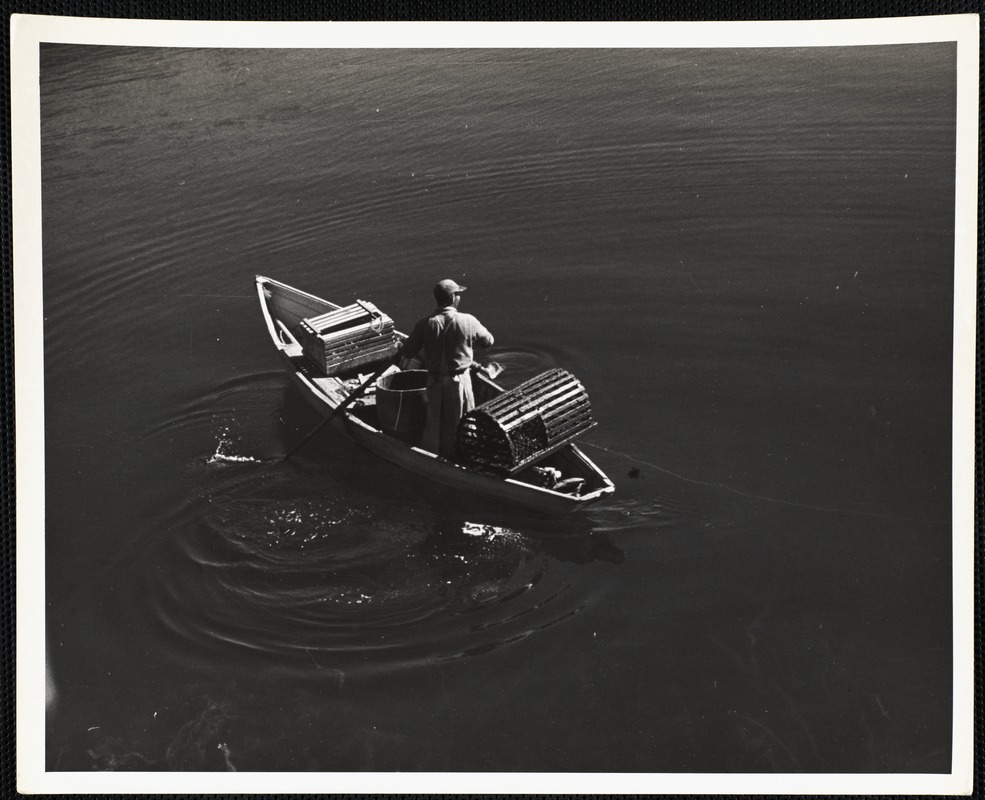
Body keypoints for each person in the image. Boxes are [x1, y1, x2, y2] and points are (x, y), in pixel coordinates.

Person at [400, 279, 494, 457]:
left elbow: (408, 351)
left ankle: (433, 456)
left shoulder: (424, 324)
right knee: (464, 422)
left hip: (435, 382)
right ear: (454, 299)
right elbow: (489, 341)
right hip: (460, 382)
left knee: (435, 421)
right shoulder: (468, 321)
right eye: (457, 294)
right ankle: (465, 454)